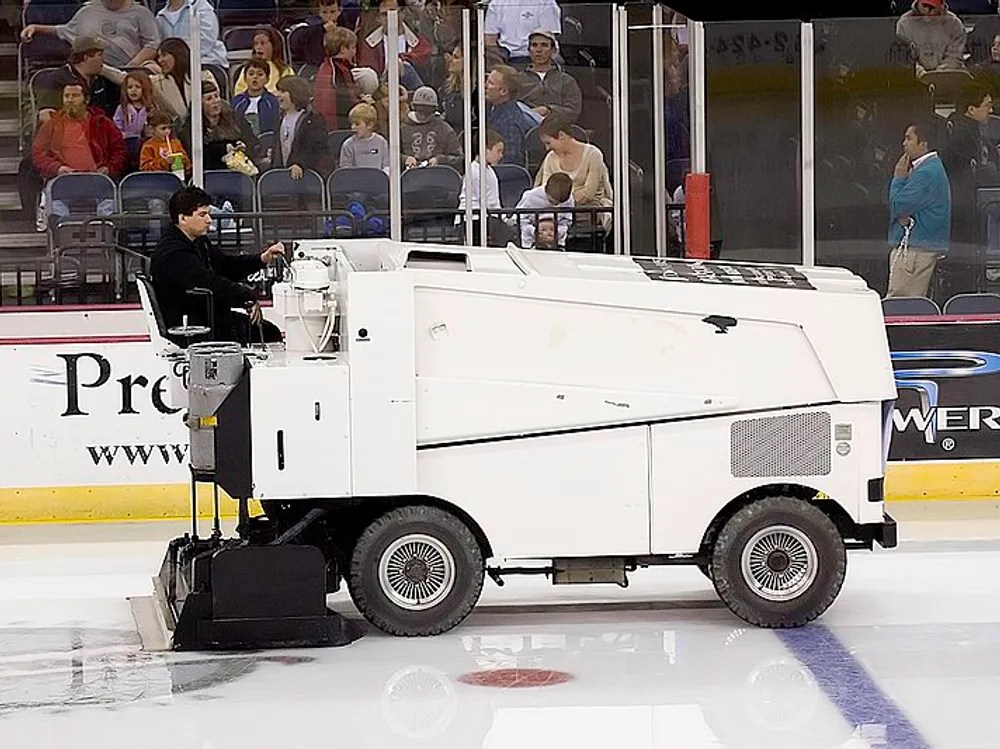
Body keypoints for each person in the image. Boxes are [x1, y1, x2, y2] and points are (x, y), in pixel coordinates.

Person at [151, 186, 286, 345]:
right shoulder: (173, 252)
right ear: (182, 218)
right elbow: (208, 282)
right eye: (202, 215)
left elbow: (225, 266)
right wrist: (245, 297)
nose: (209, 220)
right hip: (192, 326)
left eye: (209, 214)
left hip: (208, 316)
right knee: (268, 334)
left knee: (268, 331)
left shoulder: (198, 241)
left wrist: (262, 259)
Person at [887, 122, 952, 298]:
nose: (904, 143)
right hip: (918, 245)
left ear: (923, 144)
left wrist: (898, 179)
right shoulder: (929, 168)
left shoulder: (926, 172)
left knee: (901, 300)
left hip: (915, 248)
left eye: (909, 138)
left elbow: (898, 205)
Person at [514, 171, 574, 248]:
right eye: (551, 201)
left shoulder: (569, 199)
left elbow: (566, 222)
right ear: (546, 190)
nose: (555, 204)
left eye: (559, 203)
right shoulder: (530, 196)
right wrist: (535, 232)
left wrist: (557, 233)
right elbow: (521, 220)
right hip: (530, 243)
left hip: (558, 243)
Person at [340, 101, 390, 170]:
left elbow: (387, 167)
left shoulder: (382, 142)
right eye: (352, 124)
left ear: (370, 125)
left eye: (357, 124)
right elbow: (345, 170)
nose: (353, 127)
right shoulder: (348, 145)